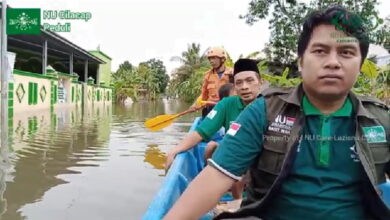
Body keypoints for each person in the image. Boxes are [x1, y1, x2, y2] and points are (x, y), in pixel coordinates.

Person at [164, 6, 390, 220]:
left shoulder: (380, 119)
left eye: (346, 52)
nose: (333, 62)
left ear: (360, 65)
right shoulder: (264, 111)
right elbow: (214, 178)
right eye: (320, 51)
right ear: (301, 62)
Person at [165, 59, 263, 199]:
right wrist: (175, 150)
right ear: (234, 86)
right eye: (239, 83)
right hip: (236, 163)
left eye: (250, 81)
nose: (244, 87)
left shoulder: (271, 105)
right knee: (214, 149)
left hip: (261, 165)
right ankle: (233, 196)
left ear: (260, 82)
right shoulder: (227, 104)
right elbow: (201, 132)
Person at [193, 47, 234, 117]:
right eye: (210, 59)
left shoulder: (232, 73)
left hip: (228, 107)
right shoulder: (207, 75)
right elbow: (204, 94)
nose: (211, 61)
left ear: (222, 59)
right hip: (212, 108)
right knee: (207, 117)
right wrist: (196, 104)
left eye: (214, 58)